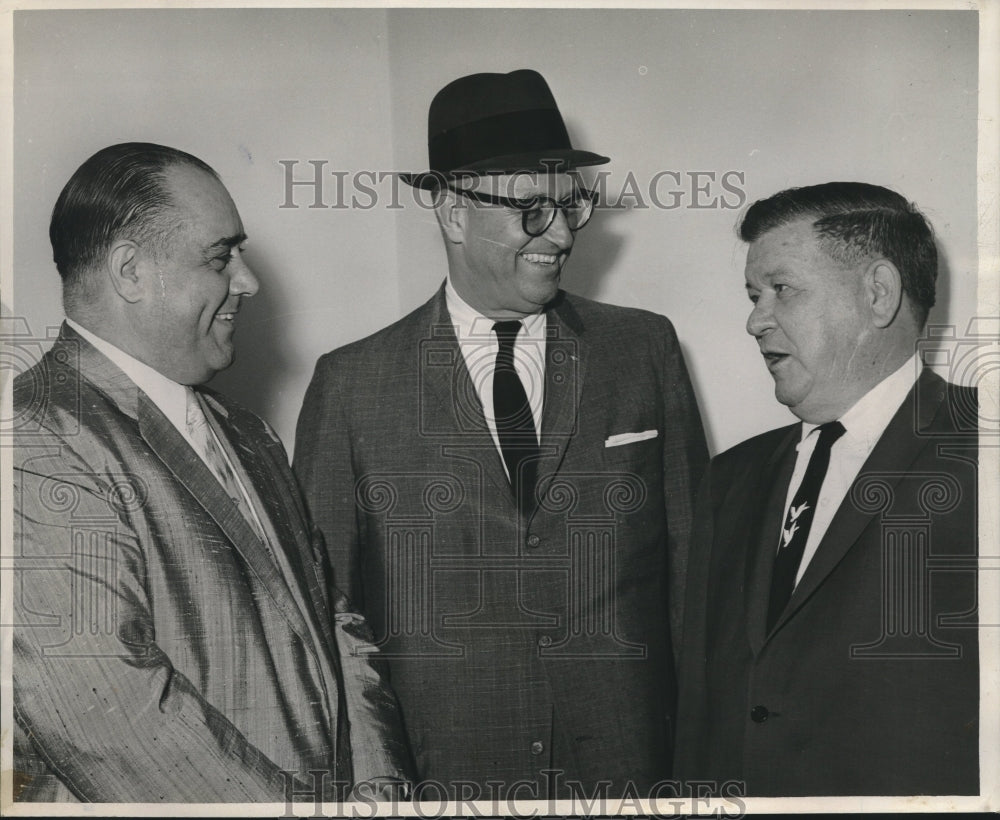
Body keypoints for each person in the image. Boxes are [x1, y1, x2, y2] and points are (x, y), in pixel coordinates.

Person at [294, 69, 708, 799]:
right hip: (443, 774)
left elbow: (692, 575)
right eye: (531, 211)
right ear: (453, 213)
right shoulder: (352, 385)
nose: (560, 234)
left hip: (627, 767)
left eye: (570, 206)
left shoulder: (643, 349)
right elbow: (327, 613)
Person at [11, 143, 412, 802]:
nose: (248, 282)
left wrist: (381, 791)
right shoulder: (34, 440)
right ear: (131, 271)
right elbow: (113, 720)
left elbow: (335, 628)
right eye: (221, 257)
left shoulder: (248, 436)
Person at [674, 182, 979, 796]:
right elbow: (701, 714)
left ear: (878, 293)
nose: (755, 320)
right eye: (754, 295)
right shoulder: (729, 479)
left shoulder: (985, 451)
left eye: (781, 290)